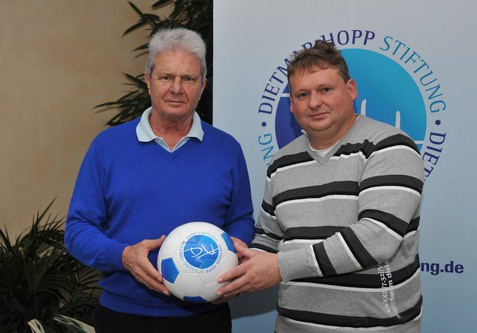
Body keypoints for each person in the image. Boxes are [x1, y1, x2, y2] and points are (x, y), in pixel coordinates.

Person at [217, 40, 425, 332]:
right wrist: (238, 266)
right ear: (291, 105)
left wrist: (279, 267)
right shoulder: (281, 163)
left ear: (350, 90)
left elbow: (376, 238)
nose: (314, 103)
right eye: (302, 94)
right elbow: (270, 238)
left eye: (325, 89)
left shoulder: (390, 147)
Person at [65, 27, 255, 333]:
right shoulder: (107, 147)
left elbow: (242, 218)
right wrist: (123, 256)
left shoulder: (227, 149)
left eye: (188, 79)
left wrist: (231, 249)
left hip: (206, 318)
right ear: (148, 80)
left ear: (203, 85)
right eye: (166, 77)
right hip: (123, 316)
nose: (177, 88)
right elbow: (77, 230)